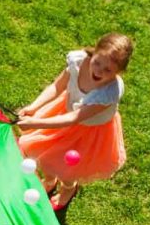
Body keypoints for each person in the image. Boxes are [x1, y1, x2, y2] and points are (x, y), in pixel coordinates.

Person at [15, 33, 134, 208]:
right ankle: (50, 181)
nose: (99, 70)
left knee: (67, 170)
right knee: (45, 156)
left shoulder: (108, 92)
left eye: (108, 70)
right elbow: (57, 86)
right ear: (94, 52)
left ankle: (68, 188)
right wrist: (34, 107)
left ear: (118, 72)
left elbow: (74, 118)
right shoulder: (78, 61)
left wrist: (35, 123)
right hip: (61, 113)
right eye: (97, 62)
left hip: (87, 131)